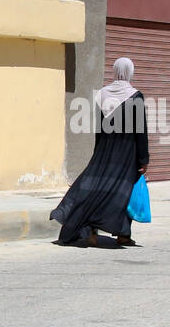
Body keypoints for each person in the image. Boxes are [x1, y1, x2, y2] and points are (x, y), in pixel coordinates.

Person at [51, 57, 149, 246]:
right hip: (126, 152)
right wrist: (143, 158)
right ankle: (122, 235)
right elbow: (140, 130)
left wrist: (98, 152)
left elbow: (99, 127)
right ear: (130, 72)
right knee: (123, 191)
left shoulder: (103, 94)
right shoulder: (135, 95)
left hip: (104, 149)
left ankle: (92, 232)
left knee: (96, 187)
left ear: (115, 71)